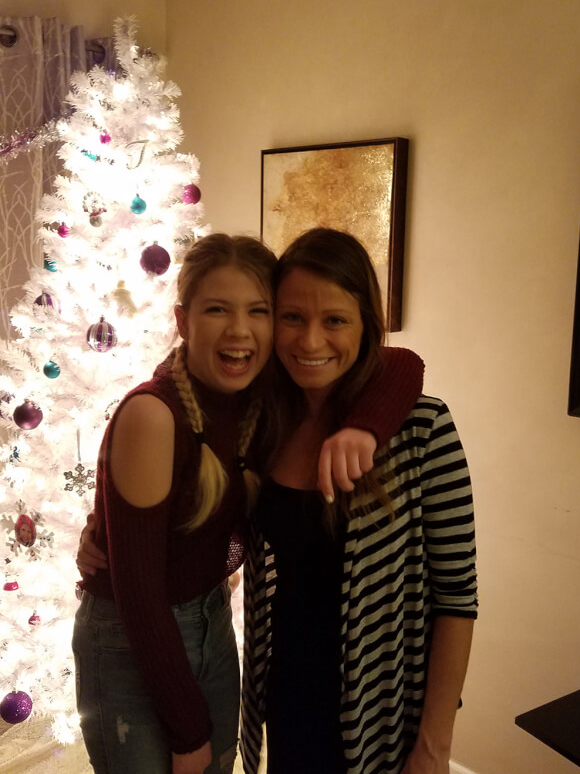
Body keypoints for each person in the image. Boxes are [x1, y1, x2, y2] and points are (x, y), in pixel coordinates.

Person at [73, 231, 425, 774]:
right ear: (184, 319)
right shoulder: (155, 413)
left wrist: (365, 428)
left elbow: (402, 361)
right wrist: (188, 733)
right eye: (218, 309)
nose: (240, 330)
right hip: (133, 637)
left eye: (259, 310)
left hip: (212, 623)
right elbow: (140, 592)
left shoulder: (261, 403)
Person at [239, 228, 478, 774]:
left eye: (335, 320)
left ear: (366, 323)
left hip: (385, 713)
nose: (311, 341)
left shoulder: (422, 429)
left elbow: (457, 598)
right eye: (292, 317)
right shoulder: (263, 422)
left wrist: (435, 745)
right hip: (287, 698)